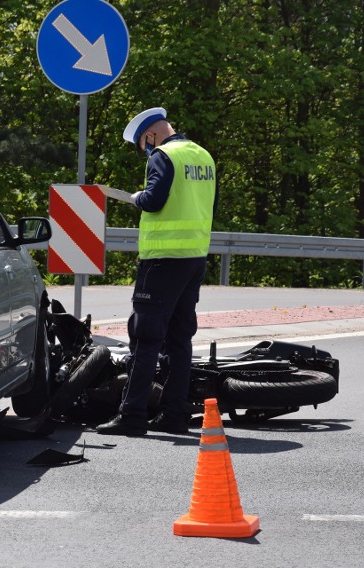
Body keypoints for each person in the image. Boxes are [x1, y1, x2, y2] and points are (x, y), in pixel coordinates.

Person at [96, 107, 218, 437]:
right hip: (194, 257)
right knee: (180, 340)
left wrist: (137, 197)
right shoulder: (203, 156)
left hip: (162, 259)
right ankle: (174, 415)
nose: (145, 152)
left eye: (143, 145)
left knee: (146, 338)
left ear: (150, 135)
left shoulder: (163, 156)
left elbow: (154, 200)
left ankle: (132, 415)